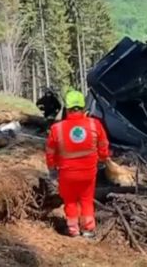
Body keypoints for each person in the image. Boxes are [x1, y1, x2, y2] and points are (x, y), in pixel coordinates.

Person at [45, 89, 110, 238]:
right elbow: (104, 145)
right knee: (87, 200)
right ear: (83, 107)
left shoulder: (57, 128)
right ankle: (88, 230)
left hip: (67, 174)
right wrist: (102, 160)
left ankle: (73, 229)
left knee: (70, 201)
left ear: (67, 109)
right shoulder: (95, 124)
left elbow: (50, 152)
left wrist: (52, 169)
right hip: (88, 172)